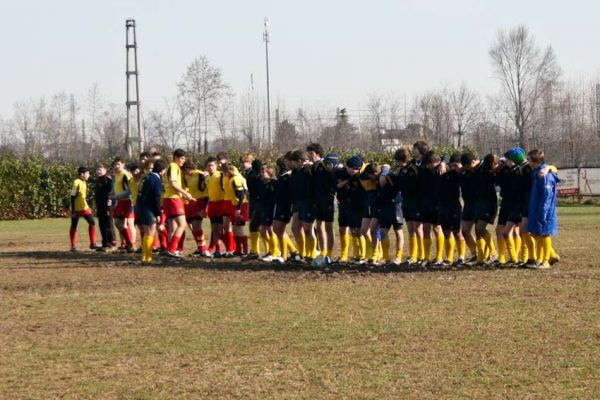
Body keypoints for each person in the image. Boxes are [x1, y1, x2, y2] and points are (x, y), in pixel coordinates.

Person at [527, 149, 559, 269]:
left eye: (529, 159)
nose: (527, 162)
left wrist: (543, 212)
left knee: (544, 234)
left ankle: (546, 261)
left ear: (535, 160)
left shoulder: (545, 175)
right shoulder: (536, 173)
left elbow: (547, 195)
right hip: (536, 208)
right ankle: (540, 259)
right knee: (537, 233)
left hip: (545, 210)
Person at [162, 149, 194, 258]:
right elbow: (173, 183)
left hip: (168, 198)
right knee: (182, 224)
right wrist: (186, 194)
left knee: (173, 227)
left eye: (184, 158)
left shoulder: (173, 167)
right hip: (173, 199)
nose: (183, 161)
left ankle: (171, 250)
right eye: (182, 158)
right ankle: (172, 250)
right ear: (175, 157)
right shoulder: (173, 166)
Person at [137, 159, 167, 265]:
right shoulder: (156, 179)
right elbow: (156, 197)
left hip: (141, 206)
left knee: (146, 232)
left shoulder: (146, 176)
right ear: (162, 170)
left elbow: (139, 192)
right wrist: (158, 213)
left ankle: (144, 257)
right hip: (148, 208)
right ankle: (148, 258)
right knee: (151, 232)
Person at [438, 153, 465, 264]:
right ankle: (449, 257)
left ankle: (461, 256)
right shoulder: (443, 174)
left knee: (457, 231)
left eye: (456, 165)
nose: (454, 168)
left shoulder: (460, 174)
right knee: (446, 232)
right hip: (443, 205)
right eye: (452, 165)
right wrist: (442, 164)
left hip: (454, 205)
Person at [272, 154, 300, 262]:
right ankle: (292, 251)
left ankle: (284, 255)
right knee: (276, 229)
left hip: (286, 205)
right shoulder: (282, 176)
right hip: (279, 205)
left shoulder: (289, 176)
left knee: (280, 229)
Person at [473, 153, 500, 265]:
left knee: (480, 228)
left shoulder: (494, 173)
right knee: (477, 230)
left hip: (489, 204)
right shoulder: (481, 170)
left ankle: (493, 252)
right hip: (480, 203)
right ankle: (483, 256)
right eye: (495, 163)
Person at [222, 163, 249, 256]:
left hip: (241, 206)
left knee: (240, 228)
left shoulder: (236, 179)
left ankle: (245, 251)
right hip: (235, 205)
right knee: (235, 228)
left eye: (224, 172)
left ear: (228, 171)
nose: (223, 174)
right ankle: (238, 249)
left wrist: (239, 209)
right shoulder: (231, 179)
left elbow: (242, 195)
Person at [183, 160, 209, 256]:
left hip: (200, 201)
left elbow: (206, 191)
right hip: (191, 202)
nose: (185, 173)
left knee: (197, 225)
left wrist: (204, 207)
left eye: (186, 170)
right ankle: (200, 247)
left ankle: (203, 249)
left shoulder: (200, 175)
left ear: (190, 169)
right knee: (192, 227)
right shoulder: (186, 176)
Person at [69, 166, 98, 251]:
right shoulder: (76, 182)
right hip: (76, 209)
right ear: (82, 174)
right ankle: (73, 246)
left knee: (92, 222)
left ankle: (93, 243)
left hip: (84, 207)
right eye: (87, 173)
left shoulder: (84, 182)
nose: (89, 175)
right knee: (74, 225)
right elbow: (72, 196)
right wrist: (73, 211)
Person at [110, 157, 135, 252]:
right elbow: (116, 187)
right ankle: (127, 243)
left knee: (123, 223)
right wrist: (111, 193)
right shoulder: (117, 175)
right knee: (117, 222)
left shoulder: (126, 175)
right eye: (115, 164)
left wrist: (116, 196)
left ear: (123, 164)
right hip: (120, 202)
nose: (116, 166)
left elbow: (130, 190)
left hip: (126, 201)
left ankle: (130, 244)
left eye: (118, 164)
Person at [205, 156, 225, 257]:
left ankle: (231, 248)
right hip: (212, 204)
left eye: (212, 165)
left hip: (221, 204)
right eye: (208, 165)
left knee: (221, 229)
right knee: (214, 228)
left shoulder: (221, 175)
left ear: (216, 165)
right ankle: (218, 250)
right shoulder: (207, 177)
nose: (210, 167)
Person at [94, 163, 116, 251]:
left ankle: (111, 243)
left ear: (105, 170)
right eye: (97, 170)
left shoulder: (108, 180)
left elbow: (110, 194)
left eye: (100, 170)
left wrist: (108, 207)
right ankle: (104, 243)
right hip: (100, 206)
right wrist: (95, 205)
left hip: (107, 206)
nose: (99, 171)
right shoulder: (98, 180)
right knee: (101, 224)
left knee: (108, 224)